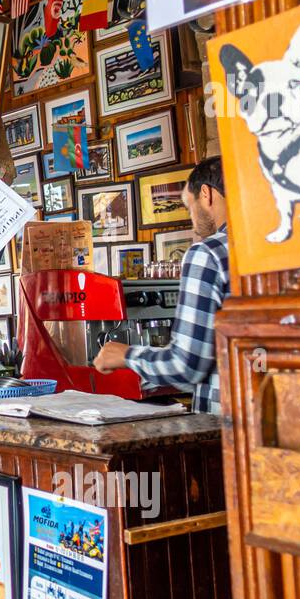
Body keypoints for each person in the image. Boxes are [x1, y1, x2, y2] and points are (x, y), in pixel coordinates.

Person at [92, 156, 230, 414]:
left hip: (226, 425)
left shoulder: (208, 254)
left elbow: (186, 365)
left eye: (190, 207)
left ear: (206, 194)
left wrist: (125, 355)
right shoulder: (273, 246)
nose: (193, 221)